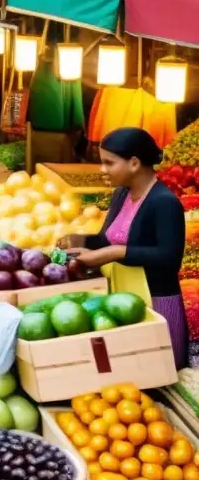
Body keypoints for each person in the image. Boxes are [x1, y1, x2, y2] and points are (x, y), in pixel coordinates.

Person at [62, 127, 187, 368]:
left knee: (159, 375)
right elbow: (107, 239)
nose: (102, 170)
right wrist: (80, 241)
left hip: (157, 304)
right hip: (124, 300)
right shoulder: (121, 194)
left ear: (134, 163)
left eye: (109, 163)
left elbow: (170, 258)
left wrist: (114, 253)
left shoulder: (164, 203)